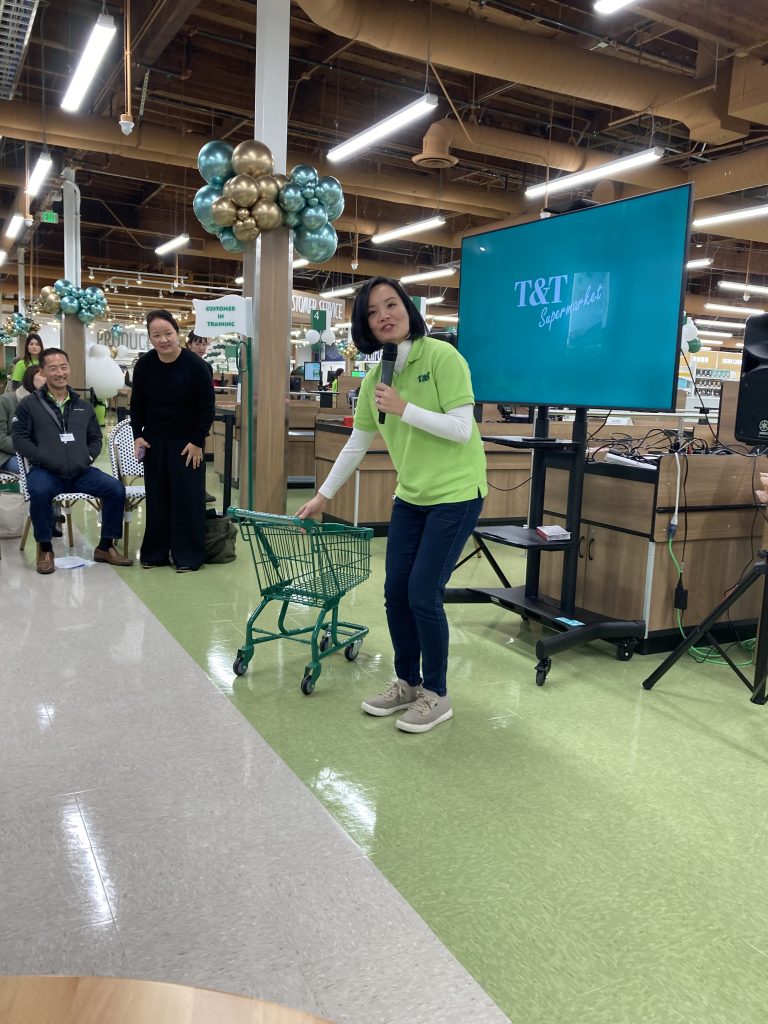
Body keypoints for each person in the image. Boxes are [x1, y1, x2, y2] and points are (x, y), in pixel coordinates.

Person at [297, 277, 487, 733]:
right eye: (373, 311)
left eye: (392, 304)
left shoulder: (443, 357)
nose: (385, 314)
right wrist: (324, 494)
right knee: (395, 591)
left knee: (424, 592)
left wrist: (404, 409)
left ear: (408, 308)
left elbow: (463, 429)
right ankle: (407, 681)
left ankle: (436, 694)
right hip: (411, 496)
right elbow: (356, 445)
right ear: (366, 326)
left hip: (457, 493)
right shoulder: (373, 381)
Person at [11, 348, 133, 575]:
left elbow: (96, 437)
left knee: (115, 489)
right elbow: (18, 438)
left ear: (70, 369)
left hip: (80, 471)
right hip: (46, 471)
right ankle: (45, 550)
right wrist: (41, 457)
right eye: (53, 368)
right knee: (38, 491)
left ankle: (105, 547)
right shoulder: (30, 405)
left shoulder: (83, 406)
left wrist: (87, 456)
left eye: (63, 367)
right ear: (43, 372)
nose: (60, 373)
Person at [130, 310, 215, 572]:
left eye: (168, 333)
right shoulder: (144, 365)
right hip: (154, 441)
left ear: (177, 333)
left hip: (187, 443)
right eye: (156, 335)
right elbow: (137, 404)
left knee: (187, 499)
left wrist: (197, 441)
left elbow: (206, 407)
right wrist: (138, 435)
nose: (163, 340)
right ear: (150, 338)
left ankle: (188, 556)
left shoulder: (196, 366)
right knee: (157, 499)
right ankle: (155, 553)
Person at [0, 364, 45, 473]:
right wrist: (28, 448)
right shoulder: (5, 400)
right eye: (42, 375)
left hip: (37, 454)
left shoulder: (46, 404)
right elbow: (1, 438)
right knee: (36, 471)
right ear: (30, 377)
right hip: (6, 455)